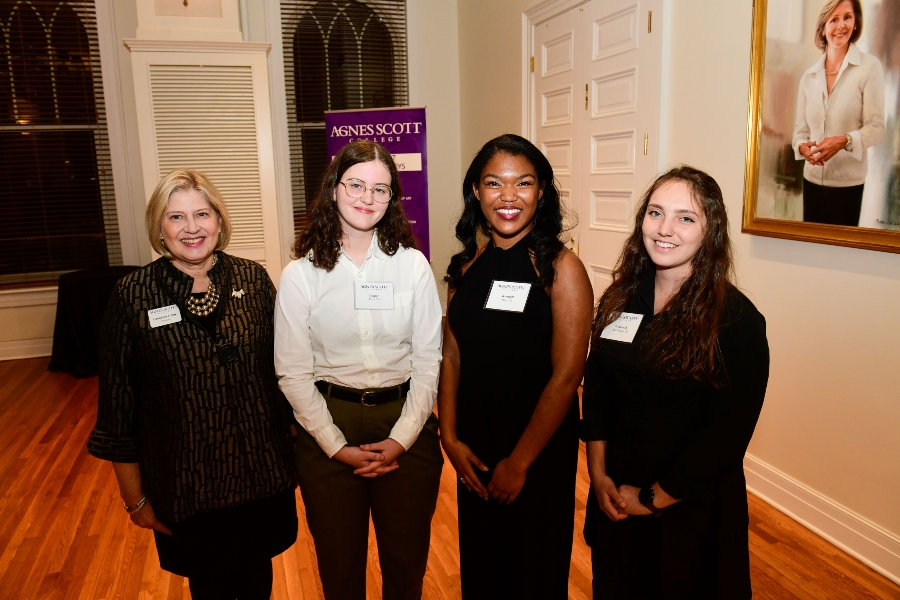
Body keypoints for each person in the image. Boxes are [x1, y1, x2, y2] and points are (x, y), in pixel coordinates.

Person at [87, 169, 298, 600]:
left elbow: (286, 373)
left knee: (258, 583)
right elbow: (117, 411)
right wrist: (136, 501)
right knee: (212, 587)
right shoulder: (132, 295)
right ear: (159, 228)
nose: (192, 228)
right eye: (176, 217)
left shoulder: (253, 281)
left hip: (260, 479)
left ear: (219, 221)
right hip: (188, 489)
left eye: (202, 214)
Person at [582, 166, 769, 598]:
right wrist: (599, 475)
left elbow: (724, 435)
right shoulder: (621, 300)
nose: (664, 230)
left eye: (685, 218)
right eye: (655, 213)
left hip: (687, 513)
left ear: (711, 231)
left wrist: (650, 499)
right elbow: (598, 391)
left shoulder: (736, 322)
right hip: (615, 498)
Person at [274, 140, 443, 600]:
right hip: (327, 421)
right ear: (333, 189)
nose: (367, 198)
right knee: (339, 568)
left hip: (405, 419)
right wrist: (334, 446)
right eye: (356, 185)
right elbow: (292, 372)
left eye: (380, 189)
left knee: (406, 566)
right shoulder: (301, 275)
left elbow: (429, 360)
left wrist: (402, 438)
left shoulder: (412, 267)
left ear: (392, 200)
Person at [438, 134, 593, 599]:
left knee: (532, 573)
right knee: (484, 570)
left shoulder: (563, 271)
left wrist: (520, 463)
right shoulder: (464, 268)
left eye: (523, 183)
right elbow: (452, 355)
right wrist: (449, 436)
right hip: (475, 447)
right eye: (494, 183)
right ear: (475, 193)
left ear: (542, 192)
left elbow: (567, 377)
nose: (508, 196)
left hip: (537, 451)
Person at [793, 0, 885, 226]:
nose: (841, 25)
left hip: (848, 186)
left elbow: (876, 128)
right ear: (823, 28)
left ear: (855, 23)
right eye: (833, 19)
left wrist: (843, 141)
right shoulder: (809, 77)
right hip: (812, 181)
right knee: (810, 253)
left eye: (847, 17)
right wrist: (802, 147)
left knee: (842, 257)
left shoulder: (869, 68)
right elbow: (799, 131)